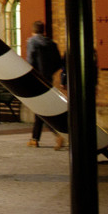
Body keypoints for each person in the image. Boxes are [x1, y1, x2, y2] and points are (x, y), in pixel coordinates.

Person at [25, 20, 65, 150]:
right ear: (44, 30)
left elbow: (30, 60)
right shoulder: (52, 43)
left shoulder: (32, 42)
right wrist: (49, 73)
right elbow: (59, 62)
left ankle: (57, 133)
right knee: (41, 108)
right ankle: (34, 138)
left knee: (41, 109)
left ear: (33, 30)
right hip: (48, 79)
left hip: (36, 79)